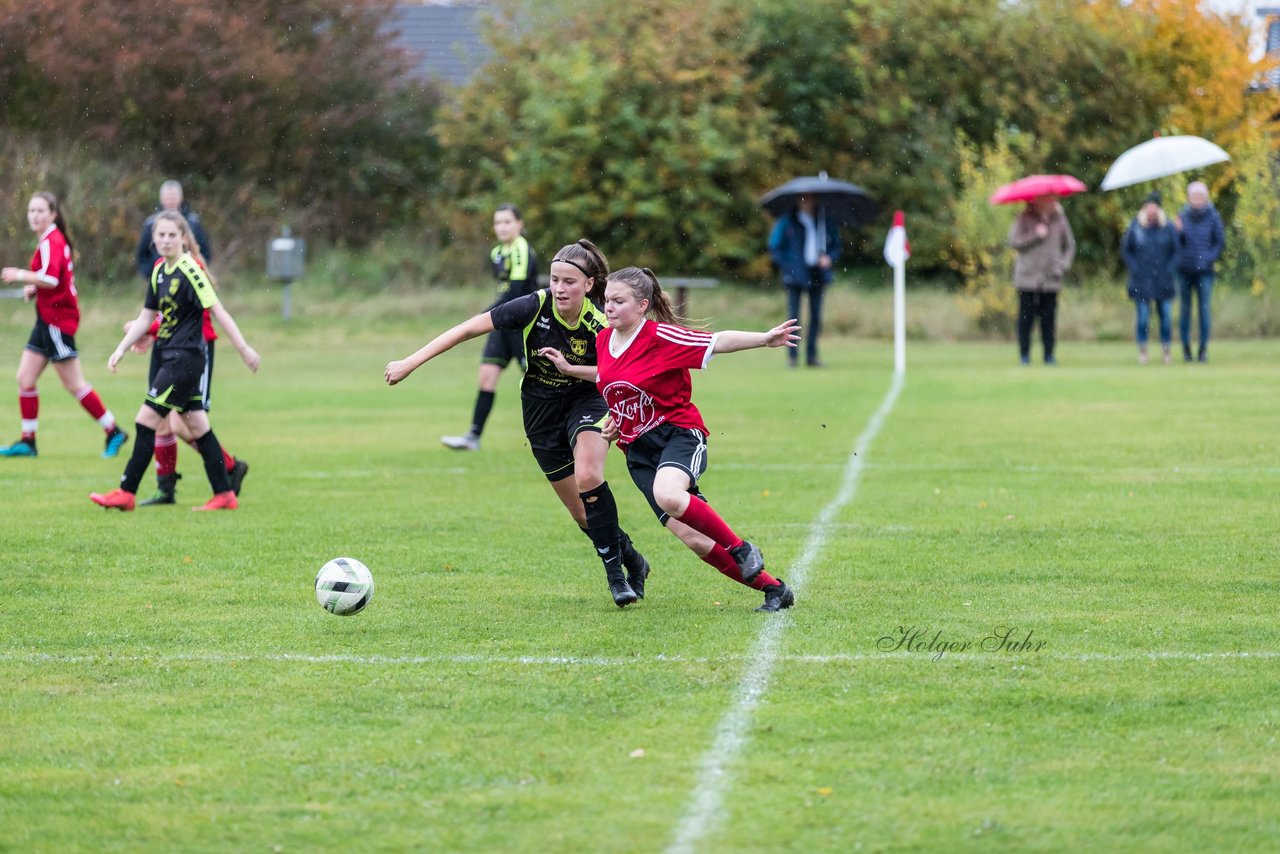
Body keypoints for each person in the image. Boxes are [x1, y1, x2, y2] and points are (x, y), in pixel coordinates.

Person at [385, 239, 651, 607]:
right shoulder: (533, 306)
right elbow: (466, 329)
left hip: (588, 400)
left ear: (589, 284)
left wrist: (579, 375)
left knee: (589, 474)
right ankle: (634, 560)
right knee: (580, 511)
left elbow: (623, 372)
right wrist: (410, 362)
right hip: (540, 411)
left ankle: (616, 578)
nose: (559, 288)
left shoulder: (601, 321)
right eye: (555, 279)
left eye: (569, 282)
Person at [544, 266, 800, 612]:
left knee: (668, 495)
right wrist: (615, 417)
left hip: (677, 435)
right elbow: (612, 379)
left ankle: (741, 549)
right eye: (607, 301)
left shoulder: (661, 337)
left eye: (619, 301)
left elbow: (718, 340)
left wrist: (763, 338)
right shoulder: (605, 339)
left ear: (642, 305)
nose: (609, 308)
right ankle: (775, 590)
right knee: (694, 539)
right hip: (638, 453)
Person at [90, 211, 260, 511]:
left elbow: (219, 312)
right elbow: (146, 317)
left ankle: (126, 492)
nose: (166, 240)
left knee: (146, 421)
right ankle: (224, 493)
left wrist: (244, 349)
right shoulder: (158, 270)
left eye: (172, 235)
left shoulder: (191, 270)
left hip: (185, 358)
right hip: (169, 354)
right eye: (161, 235)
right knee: (197, 424)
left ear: (183, 238)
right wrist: (121, 348)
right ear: (153, 239)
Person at [0, 191, 128, 459]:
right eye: (31, 211)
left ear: (53, 214)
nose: (34, 216)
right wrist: (33, 289)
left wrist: (21, 276)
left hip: (57, 321)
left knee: (74, 384)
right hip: (46, 319)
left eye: (40, 211)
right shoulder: (48, 240)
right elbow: (52, 278)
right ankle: (28, 441)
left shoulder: (51, 241)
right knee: (25, 378)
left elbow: (52, 279)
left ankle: (113, 430)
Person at [441, 204, 539, 451]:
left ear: (520, 224)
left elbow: (516, 294)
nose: (502, 227)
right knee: (486, 377)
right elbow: (503, 292)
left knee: (539, 378)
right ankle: (473, 436)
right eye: (498, 223)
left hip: (522, 325)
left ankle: (568, 426)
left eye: (507, 222)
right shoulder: (497, 253)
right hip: (502, 324)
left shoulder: (521, 250)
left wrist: (483, 316)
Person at [767, 194, 841, 368]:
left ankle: (812, 355)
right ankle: (792, 356)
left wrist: (829, 258)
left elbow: (836, 245)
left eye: (809, 199)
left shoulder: (824, 221)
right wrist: (788, 266)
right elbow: (775, 246)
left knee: (816, 316)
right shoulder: (787, 221)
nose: (806, 203)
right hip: (795, 274)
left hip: (817, 273)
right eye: (803, 199)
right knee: (794, 317)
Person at [1008, 194, 1076, 365]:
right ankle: (1024, 355)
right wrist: (1035, 234)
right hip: (1027, 277)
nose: (1052, 202)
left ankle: (1049, 355)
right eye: (1047, 199)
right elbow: (1014, 242)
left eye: (1053, 199)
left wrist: (1063, 265)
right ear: (1037, 201)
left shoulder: (1060, 220)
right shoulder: (1023, 218)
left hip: (1051, 277)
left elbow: (1070, 246)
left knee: (1049, 320)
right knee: (1026, 319)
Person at [1121, 191, 1179, 365]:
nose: (1150, 209)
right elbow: (1126, 250)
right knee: (1143, 317)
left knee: (1166, 317)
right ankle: (1143, 350)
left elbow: (1177, 251)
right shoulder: (1136, 227)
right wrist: (1135, 268)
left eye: (1153, 205)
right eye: (1148, 205)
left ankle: (1166, 350)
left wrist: (1169, 269)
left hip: (1163, 279)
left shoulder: (1168, 227)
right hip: (1141, 279)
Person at [1174, 181, 1225, 363]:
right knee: (1185, 310)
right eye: (1194, 196)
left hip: (1205, 271)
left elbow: (1219, 242)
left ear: (1205, 197)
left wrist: (1208, 258)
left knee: (1204, 310)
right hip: (1184, 270)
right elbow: (1177, 244)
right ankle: (1186, 349)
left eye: (1200, 196)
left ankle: (1203, 349)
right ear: (1189, 198)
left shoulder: (1213, 217)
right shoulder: (1182, 216)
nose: (1197, 199)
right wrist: (1177, 231)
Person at [135, 180, 212, 279]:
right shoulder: (150, 223)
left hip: (188, 276)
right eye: (167, 198)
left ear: (181, 198)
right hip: (159, 276)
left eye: (173, 197)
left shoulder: (193, 222)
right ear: (161, 199)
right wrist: (150, 272)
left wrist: (198, 269)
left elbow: (204, 250)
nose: (170, 201)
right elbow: (142, 254)